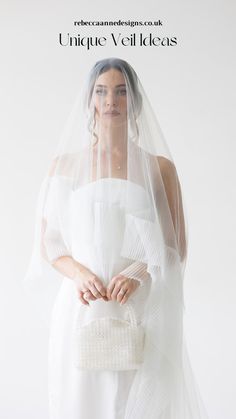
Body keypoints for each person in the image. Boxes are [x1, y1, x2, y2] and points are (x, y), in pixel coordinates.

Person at [24, 57, 210, 419]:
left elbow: (176, 245)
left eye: (122, 92)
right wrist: (80, 274)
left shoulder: (159, 168)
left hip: (137, 309)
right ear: (90, 100)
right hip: (82, 307)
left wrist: (137, 274)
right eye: (102, 91)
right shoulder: (65, 165)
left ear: (135, 102)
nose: (111, 101)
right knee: (82, 404)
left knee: (134, 405)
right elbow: (51, 244)